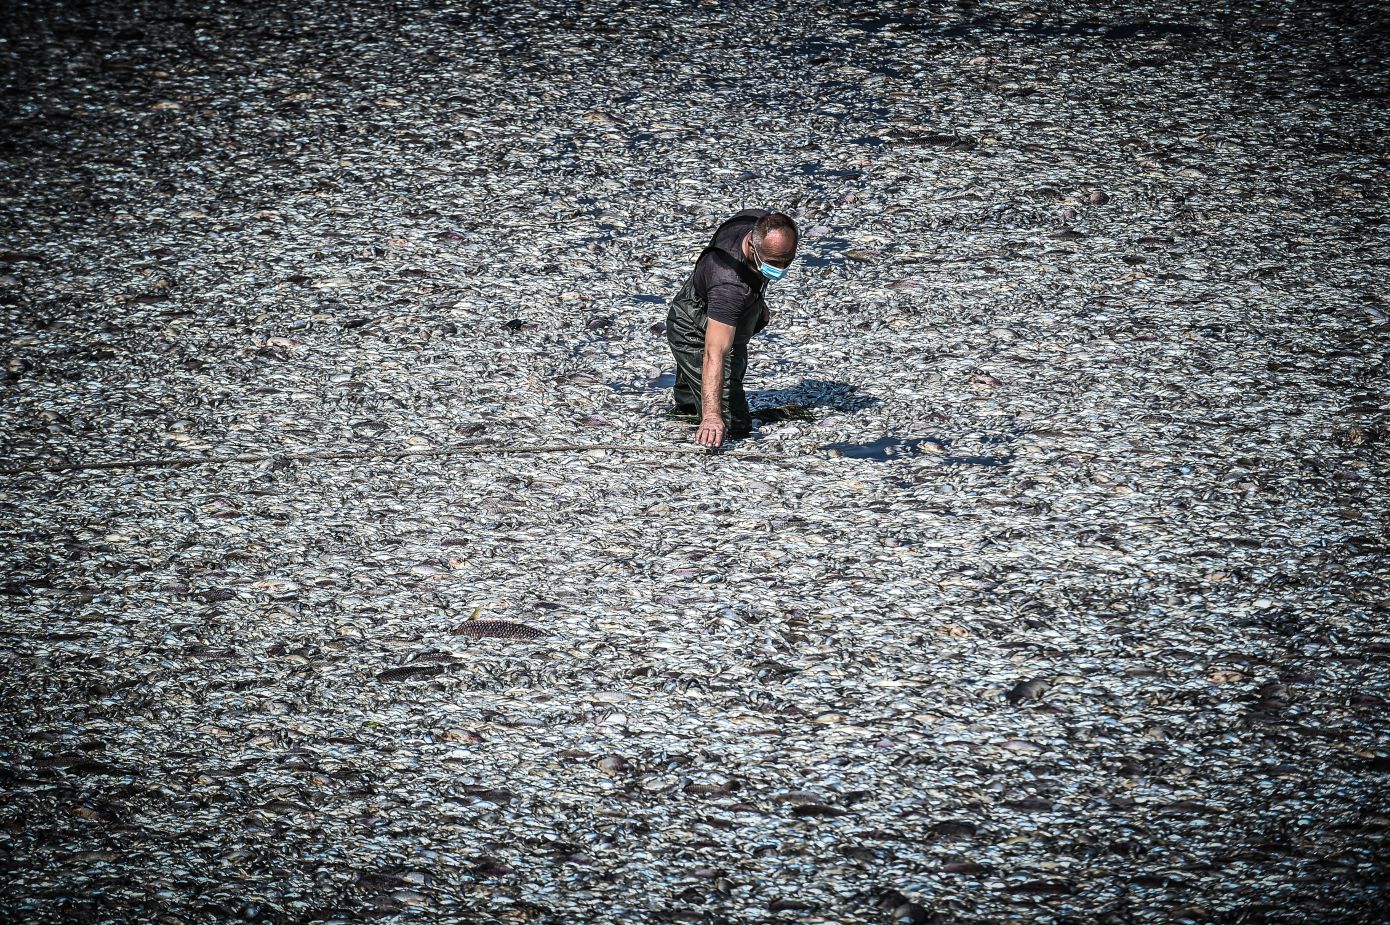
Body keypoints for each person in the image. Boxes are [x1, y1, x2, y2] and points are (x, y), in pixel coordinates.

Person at [665, 209, 799, 448]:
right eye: (773, 263)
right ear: (751, 245)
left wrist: (758, 300)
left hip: (709, 294)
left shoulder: (753, 220)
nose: (781, 268)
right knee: (734, 425)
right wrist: (713, 416)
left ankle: (688, 399)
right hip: (693, 325)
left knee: (689, 403)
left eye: (787, 260)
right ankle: (697, 406)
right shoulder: (729, 286)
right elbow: (715, 352)